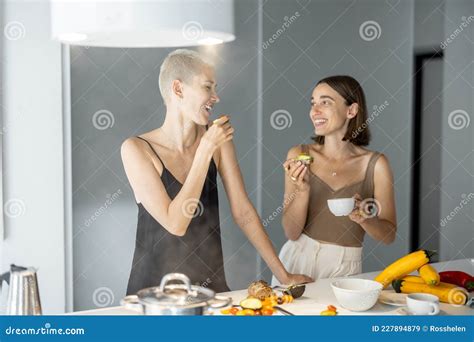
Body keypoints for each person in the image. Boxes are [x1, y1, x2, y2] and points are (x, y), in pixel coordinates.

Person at [121, 49, 312, 295]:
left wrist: (282, 274)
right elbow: (175, 223)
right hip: (152, 295)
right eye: (208, 87)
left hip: (210, 290)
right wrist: (206, 149)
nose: (216, 97)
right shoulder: (137, 149)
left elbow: (243, 212)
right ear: (178, 89)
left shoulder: (218, 140)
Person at [272, 75, 397, 285]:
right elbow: (291, 232)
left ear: (351, 110)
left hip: (343, 268)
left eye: (325, 102)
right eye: (313, 103)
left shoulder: (376, 164)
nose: (315, 111)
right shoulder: (298, 155)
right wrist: (301, 191)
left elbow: (389, 235)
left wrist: (365, 219)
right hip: (296, 260)